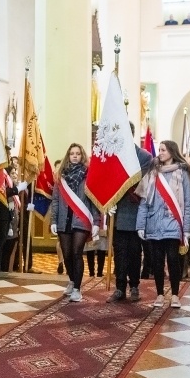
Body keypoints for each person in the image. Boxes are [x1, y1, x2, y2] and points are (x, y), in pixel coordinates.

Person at [135, 140, 190, 309]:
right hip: (154, 222)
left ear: (172, 152)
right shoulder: (152, 173)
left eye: (163, 150)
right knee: (157, 261)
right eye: (159, 150)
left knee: (174, 259)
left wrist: (187, 230)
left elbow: (188, 203)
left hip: (174, 223)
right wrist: (140, 225)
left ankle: (175, 295)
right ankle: (160, 294)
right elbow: (144, 202)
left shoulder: (182, 173)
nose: (159, 153)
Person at [108, 124, 154, 303]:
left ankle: (134, 285)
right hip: (119, 211)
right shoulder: (113, 157)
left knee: (135, 252)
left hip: (137, 210)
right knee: (119, 252)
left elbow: (141, 182)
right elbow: (108, 182)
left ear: (132, 134)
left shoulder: (144, 156)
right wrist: (109, 202)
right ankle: (120, 288)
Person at [50, 143, 100, 303]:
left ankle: (78, 289)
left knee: (77, 252)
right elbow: (56, 200)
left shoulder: (89, 176)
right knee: (67, 254)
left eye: (78, 153)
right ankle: (72, 280)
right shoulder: (61, 176)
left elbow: (94, 200)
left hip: (81, 219)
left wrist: (97, 221)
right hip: (64, 220)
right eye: (72, 153)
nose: (75, 156)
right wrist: (53, 220)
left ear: (82, 156)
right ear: (68, 156)